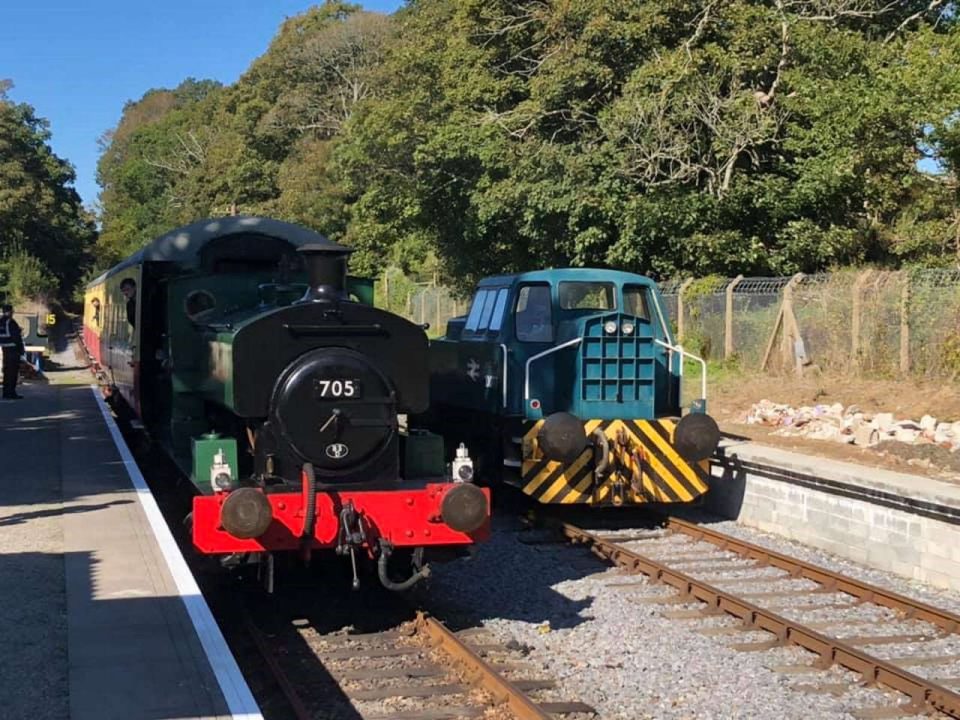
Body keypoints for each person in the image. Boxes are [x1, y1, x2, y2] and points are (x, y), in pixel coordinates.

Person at [0, 304, 25, 399]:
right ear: (10, 311)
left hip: (4, 348)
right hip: (13, 350)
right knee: (13, 372)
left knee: (6, 372)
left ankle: (6, 393)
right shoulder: (11, 322)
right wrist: (21, 349)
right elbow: (16, 337)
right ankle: (11, 393)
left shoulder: (1, 321)